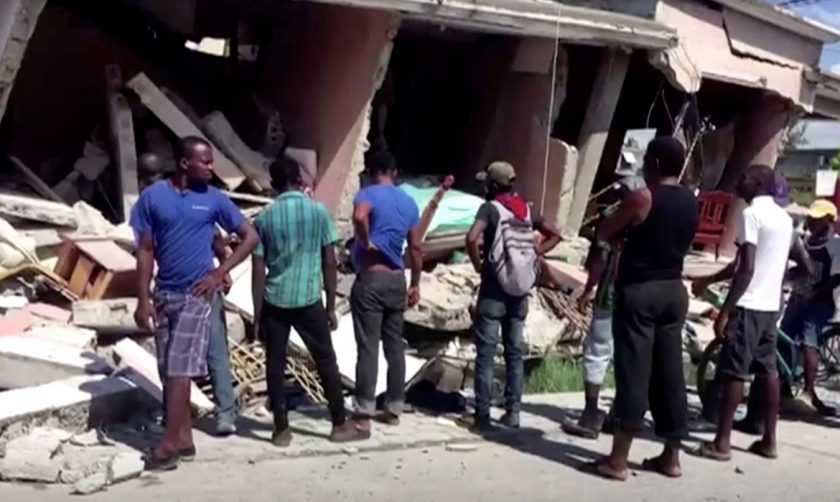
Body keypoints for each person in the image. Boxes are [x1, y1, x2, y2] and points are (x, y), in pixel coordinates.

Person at [132, 136, 259, 471]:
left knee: (179, 370)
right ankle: (185, 438)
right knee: (168, 370)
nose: (212, 167)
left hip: (197, 296)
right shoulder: (152, 198)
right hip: (164, 295)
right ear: (185, 163)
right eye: (206, 161)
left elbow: (250, 236)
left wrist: (220, 273)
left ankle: (168, 446)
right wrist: (142, 300)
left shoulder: (215, 200)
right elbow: (145, 251)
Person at [594, 137, 698, 481]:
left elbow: (607, 230)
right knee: (670, 374)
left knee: (633, 372)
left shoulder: (643, 196)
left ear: (653, 163)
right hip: (674, 291)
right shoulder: (691, 200)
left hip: (641, 292)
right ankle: (671, 457)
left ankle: (618, 460)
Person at [690, 165, 808, 462]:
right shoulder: (784, 219)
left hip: (749, 306)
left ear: (756, 183)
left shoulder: (751, 215)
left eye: (743, 178)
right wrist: (709, 280)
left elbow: (746, 268)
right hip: (770, 308)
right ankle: (769, 440)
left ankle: (722, 443)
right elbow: (752, 263)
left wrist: (725, 311)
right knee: (768, 372)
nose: (738, 181)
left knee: (734, 372)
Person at [251, 156, 365, 446]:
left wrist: (258, 313)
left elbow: (258, 269)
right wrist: (330, 306)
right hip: (308, 299)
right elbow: (329, 262)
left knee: (275, 364)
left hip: (275, 300)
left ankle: (281, 430)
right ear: (300, 180)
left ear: (274, 185)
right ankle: (339, 424)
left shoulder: (265, 218)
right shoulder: (319, 213)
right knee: (326, 360)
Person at [466, 161, 562, 430]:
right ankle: (513, 413)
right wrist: (534, 254)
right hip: (520, 291)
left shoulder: (490, 208)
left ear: (494, 184)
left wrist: (479, 266)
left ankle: (482, 416)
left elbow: (472, 238)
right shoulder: (527, 209)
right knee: (514, 353)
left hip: (494, 290)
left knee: (485, 354)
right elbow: (556, 234)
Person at [562, 174, 646, 439]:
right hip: (640, 296)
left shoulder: (612, 224)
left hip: (611, 293)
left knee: (597, 351)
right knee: (628, 355)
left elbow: (599, 259)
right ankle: (621, 415)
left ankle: (591, 414)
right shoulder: (649, 223)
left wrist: (588, 289)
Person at [350, 150, 422, 432]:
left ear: (371, 171)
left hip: (371, 279)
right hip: (397, 280)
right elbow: (415, 247)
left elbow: (359, 216)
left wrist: (365, 240)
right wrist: (415, 282)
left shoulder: (366, 194)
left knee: (368, 346)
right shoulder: (408, 201)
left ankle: (364, 411)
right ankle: (393, 407)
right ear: (394, 172)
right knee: (394, 345)